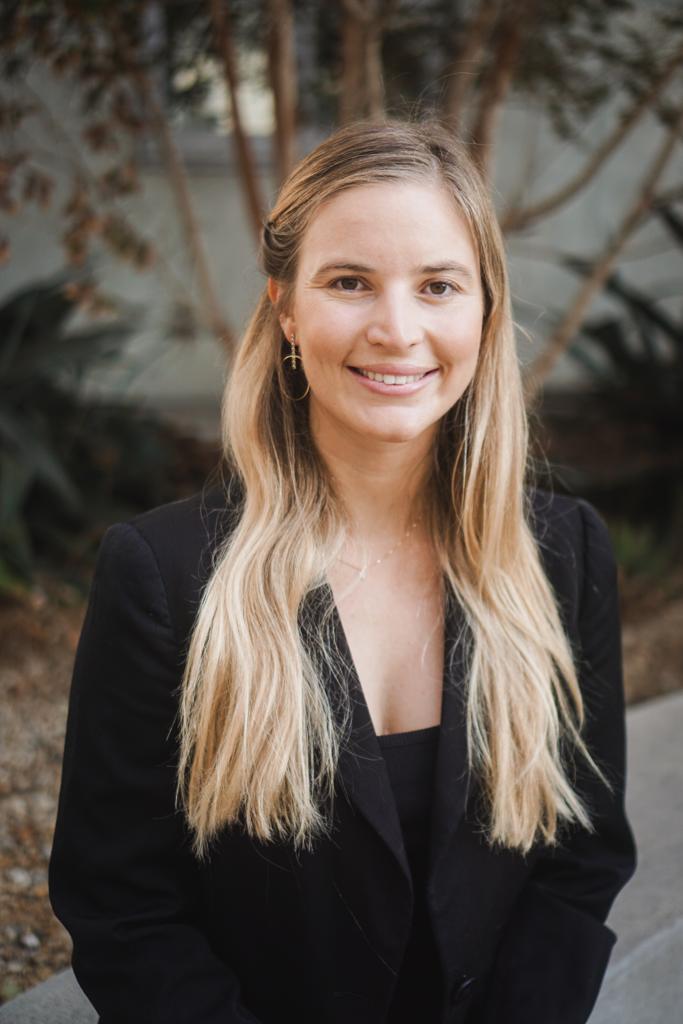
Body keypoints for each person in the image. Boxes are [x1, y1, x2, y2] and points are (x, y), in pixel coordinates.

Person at [48, 119, 637, 1024]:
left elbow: (580, 856)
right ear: (285, 307)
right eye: (349, 281)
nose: (396, 330)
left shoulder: (564, 555)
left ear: (484, 307)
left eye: (438, 285)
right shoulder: (165, 577)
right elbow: (123, 905)